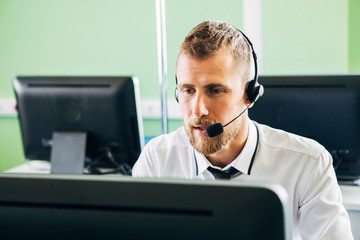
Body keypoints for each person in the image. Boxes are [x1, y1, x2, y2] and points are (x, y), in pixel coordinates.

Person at [132, 20, 353, 239]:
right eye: (188, 90)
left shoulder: (307, 164)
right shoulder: (156, 161)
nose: (198, 110)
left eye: (215, 90)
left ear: (250, 95)